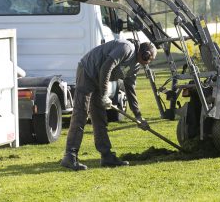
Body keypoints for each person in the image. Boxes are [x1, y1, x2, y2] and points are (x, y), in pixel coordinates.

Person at [60, 38, 157, 170]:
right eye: (148, 60)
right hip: (87, 72)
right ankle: (69, 156)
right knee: (81, 113)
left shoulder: (136, 65)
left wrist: (138, 116)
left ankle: (106, 156)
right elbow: (106, 67)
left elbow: (130, 89)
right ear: (145, 54)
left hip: (99, 79)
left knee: (100, 117)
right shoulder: (126, 48)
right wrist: (105, 94)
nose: (147, 64)